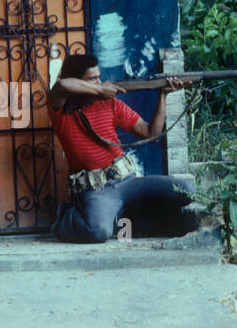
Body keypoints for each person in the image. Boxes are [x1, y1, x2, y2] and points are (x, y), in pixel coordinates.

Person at [48, 53, 199, 243]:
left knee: (187, 190)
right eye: (93, 79)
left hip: (127, 180)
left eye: (99, 77)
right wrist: (100, 91)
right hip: (96, 190)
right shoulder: (60, 110)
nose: (100, 82)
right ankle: (65, 217)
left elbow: (151, 134)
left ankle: (123, 217)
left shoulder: (111, 104)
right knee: (98, 231)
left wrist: (163, 96)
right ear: (79, 81)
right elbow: (63, 85)